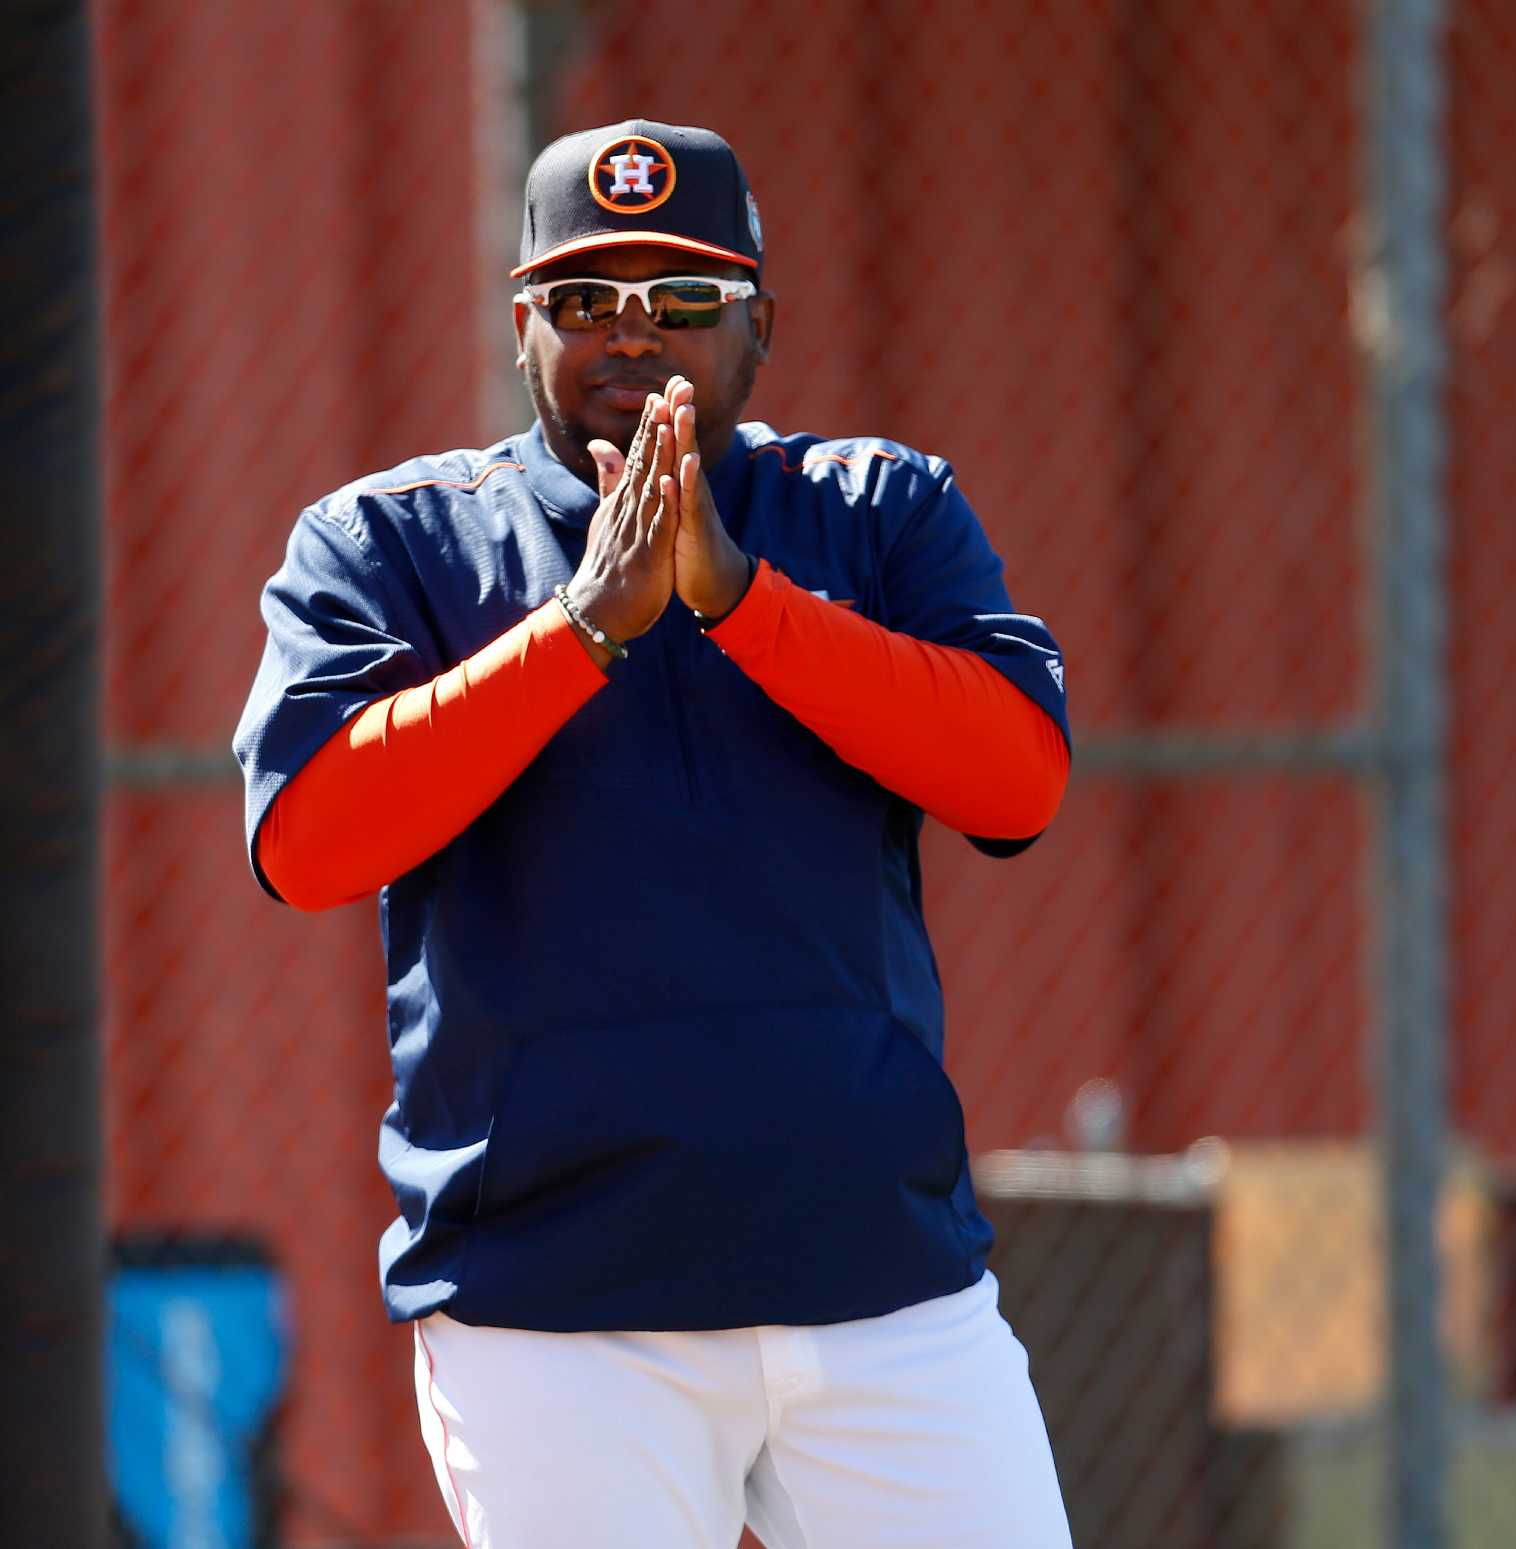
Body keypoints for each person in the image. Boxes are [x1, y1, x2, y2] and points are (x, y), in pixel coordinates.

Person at [235, 119, 1074, 1549]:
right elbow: (307, 839)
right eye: (584, 301)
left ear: (762, 325)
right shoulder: (391, 544)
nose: (635, 336)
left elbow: (1019, 779)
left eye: (685, 300)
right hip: (556, 1308)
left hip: (883, 1283)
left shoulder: (877, 510)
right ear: (521, 326)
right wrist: (578, 634)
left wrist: (747, 604)